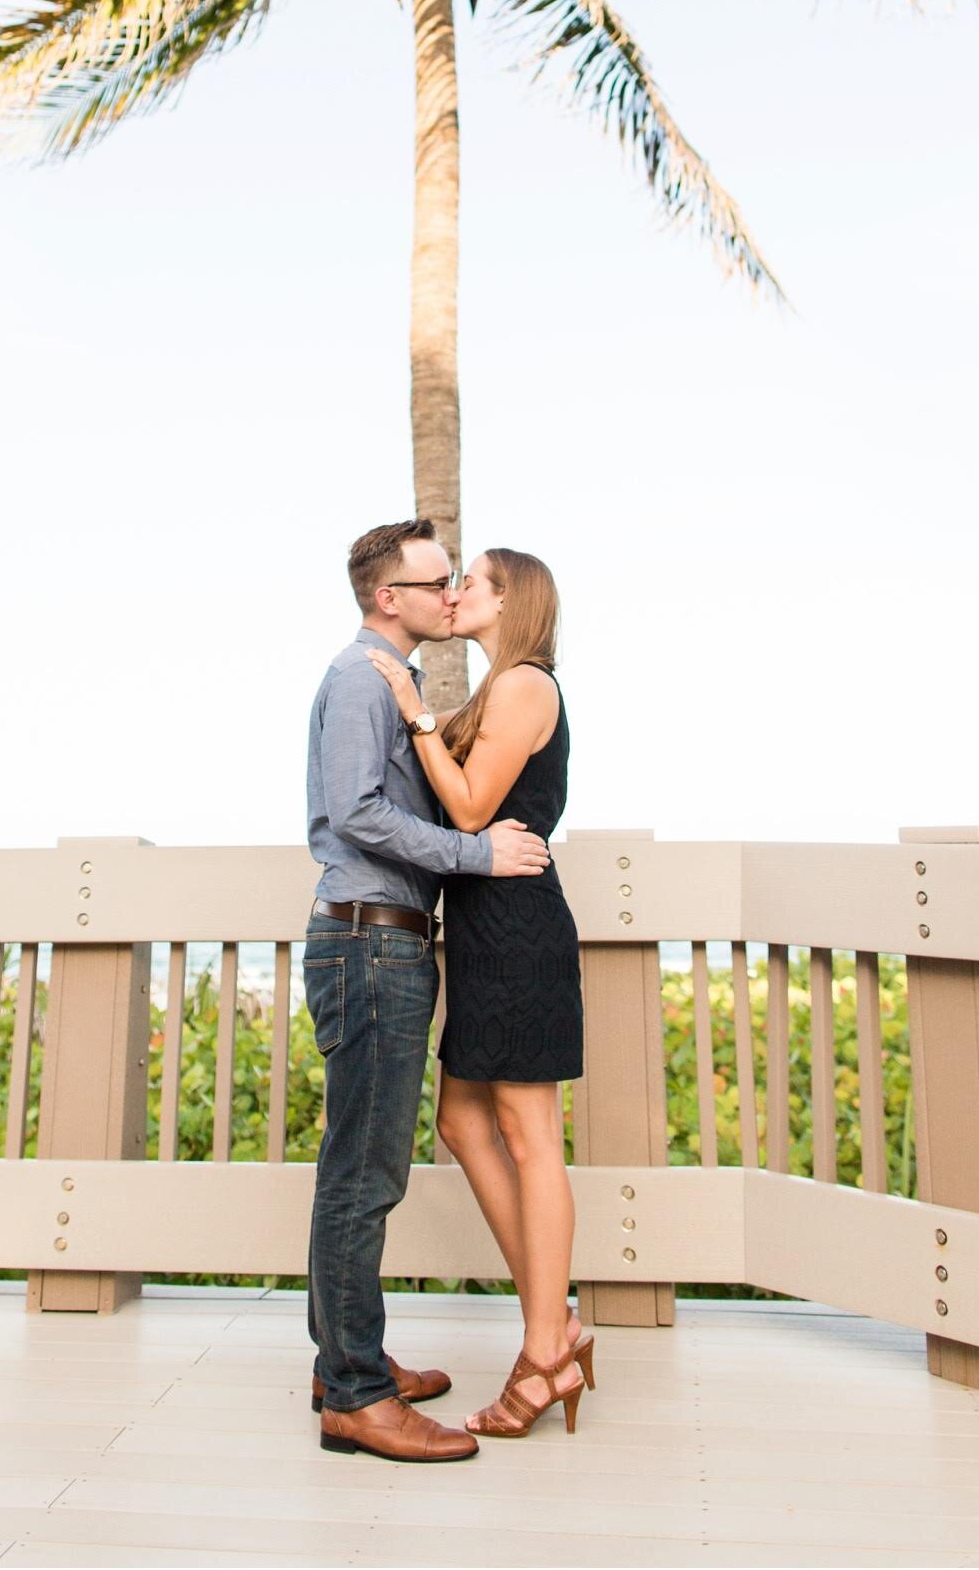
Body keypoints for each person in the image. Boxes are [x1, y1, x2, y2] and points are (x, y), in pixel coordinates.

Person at [305, 517, 552, 1465]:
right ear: (387, 597)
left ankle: (346, 1362)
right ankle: (357, 1396)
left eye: (457, 580)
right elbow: (357, 814)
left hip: (389, 943)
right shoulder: (359, 679)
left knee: (363, 1169)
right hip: (369, 945)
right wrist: (476, 855)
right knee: (364, 1176)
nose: (449, 594)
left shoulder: (389, 682)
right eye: (434, 581)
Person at [365, 546, 593, 1440]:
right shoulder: (498, 687)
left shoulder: (526, 684)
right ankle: (558, 1323)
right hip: (485, 930)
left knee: (531, 1137)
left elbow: (467, 811)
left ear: (512, 600)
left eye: (472, 584)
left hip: (520, 927)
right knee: (463, 1124)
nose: (455, 594)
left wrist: (418, 713)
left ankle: (545, 1352)